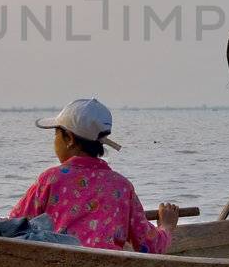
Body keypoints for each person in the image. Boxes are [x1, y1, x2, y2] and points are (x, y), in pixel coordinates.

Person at [10, 98, 179, 254]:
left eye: (56, 135)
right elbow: (149, 246)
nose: (54, 141)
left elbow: (13, 225)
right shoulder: (121, 185)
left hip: (58, 264)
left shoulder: (51, 179)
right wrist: (166, 226)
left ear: (69, 138)